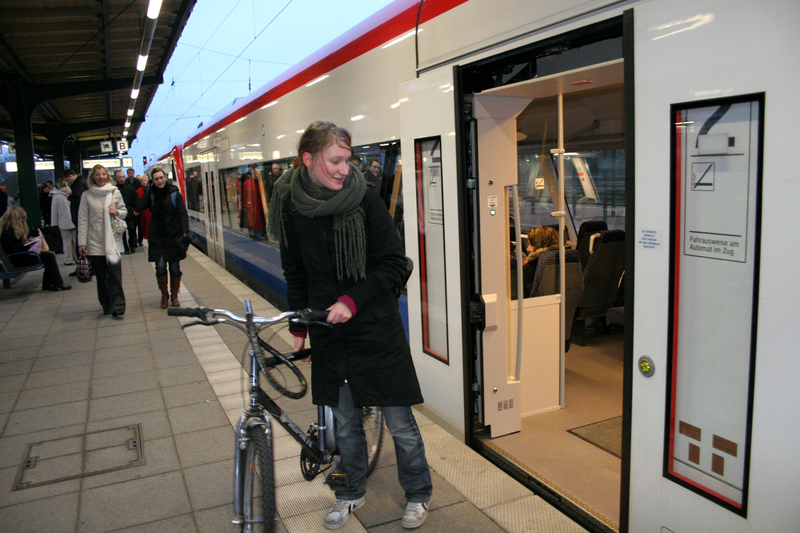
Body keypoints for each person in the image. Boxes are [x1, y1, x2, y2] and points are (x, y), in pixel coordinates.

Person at [269, 121, 432, 530]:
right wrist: (299, 326)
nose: (345, 169)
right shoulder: (290, 204)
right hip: (328, 329)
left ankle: (418, 494)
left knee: (400, 422)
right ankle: (350, 492)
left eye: (348, 160)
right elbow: (295, 271)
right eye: (335, 161)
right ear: (308, 159)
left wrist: (351, 300)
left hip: (375, 325)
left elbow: (394, 264)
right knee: (344, 422)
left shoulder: (365, 199)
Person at [136, 167, 190, 309]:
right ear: (152, 181)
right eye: (156, 179)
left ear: (165, 177)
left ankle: (174, 296)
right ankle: (164, 295)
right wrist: (148, 190)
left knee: (175, 268)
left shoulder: (174, 194)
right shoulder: (151, 194)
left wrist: (185, 232)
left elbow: (182, 214)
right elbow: (140, 206)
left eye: (161, 177)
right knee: (160, 268)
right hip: (157, 238)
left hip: (174, 237)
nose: (160, 181)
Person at [78, 164, 127, 317]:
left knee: (115, 276)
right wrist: (82, 243)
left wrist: (116, 212)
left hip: (113, 241)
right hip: (95, 242)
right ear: (92, 177)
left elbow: (124, 212)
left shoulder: (115, 192)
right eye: (98, 174)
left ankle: (118, 306)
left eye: (104, 174)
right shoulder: (87, 195)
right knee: (102, 277)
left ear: (108, 176)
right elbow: (83, 220)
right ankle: (106, 304)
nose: (101, 177)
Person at [0, 205, 71, 291]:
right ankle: (57, 283)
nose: (22, 220)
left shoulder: (8, 228)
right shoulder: (8, 230)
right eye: (21, 218)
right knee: (49, 256)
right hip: (16, 259)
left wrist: (26, 243)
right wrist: (27, 245)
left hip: (17, 257)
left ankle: (49, 283)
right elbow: (12, 249)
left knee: (48, 255)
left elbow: (15, 246)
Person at [522, 225, 567, 297]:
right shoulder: (567, 260)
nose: (528, 249)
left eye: (531, 245)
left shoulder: (530, 268)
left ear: (539, 245)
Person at [64, 169, 88, 277]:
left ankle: (82, 268)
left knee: (81, 245)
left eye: (67, 180)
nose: (68, 182)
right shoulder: (82, 182)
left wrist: (70, 197)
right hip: (82, 219)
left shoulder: (78, 185)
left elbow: (79, 201)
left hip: (80, 219)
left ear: (70, 176)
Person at [49, 179, 77, 265]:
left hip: (63, 222)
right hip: (74, 221)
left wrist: (54, 225)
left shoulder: (56, 197)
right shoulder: (72, 193)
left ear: (58, 186)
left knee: (66, 242)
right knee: (76, 241)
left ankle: (68, 259)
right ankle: (77, 258)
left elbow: (54, 212)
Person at [115, 170, 138, 254]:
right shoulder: (115, 189)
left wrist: (136, 209)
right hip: (119, 214)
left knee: (132, 229)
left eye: (123, 177)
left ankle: (132, 245)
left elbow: (135, 199)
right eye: (120, 177)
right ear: (117, 179)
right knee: (122, 232)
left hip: (129, 213)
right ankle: (125, 247)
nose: (121, 179)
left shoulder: (130, 188)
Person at [135, 174, 151, 245]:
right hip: (143, 212)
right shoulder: (138, 191)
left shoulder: (151, 189)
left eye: (145, 180)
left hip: (150, 212)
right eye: (142, 181)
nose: (144, 182)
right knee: (144, 227)